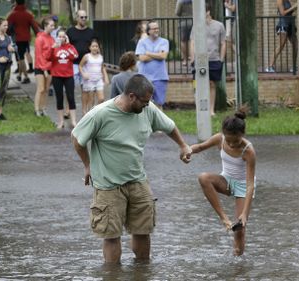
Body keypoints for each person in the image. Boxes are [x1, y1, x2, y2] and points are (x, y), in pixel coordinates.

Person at [71, 74, 192, 264]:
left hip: (137, 180)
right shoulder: (101, 114)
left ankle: (142, 272)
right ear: (132, 96)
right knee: (111, 235)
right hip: (108, 184)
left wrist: (183, 145)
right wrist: (88, 166)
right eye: (144, 101)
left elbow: (169, 126)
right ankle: (113, 275)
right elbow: (77, 139)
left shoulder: (147, 109)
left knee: (144, 230)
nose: (147, 105)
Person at [189, 109, 256, 256]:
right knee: (203, 177)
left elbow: (250, 184)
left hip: (243, 187)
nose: (231, 145)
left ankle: (238, 262)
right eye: (229, 140)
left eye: (236, 141)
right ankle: (224, 219)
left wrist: (244, 214)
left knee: (240, 230)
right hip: (226, 180)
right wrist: (187, 150)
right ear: (224, 135)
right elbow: (200, 147)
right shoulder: (220, 139)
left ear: (242, 135)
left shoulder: (248, 151)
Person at [190, 3, 226, 116]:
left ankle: (211, 110)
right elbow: (192, 42)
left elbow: (223, 43)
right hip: (200, 58)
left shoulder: (219, 25)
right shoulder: (196, 25)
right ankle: (200, 109)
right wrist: (192, 58)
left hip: (214, 59)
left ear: (208, 11)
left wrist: (221, 59)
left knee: (212, 84)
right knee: (197, 84)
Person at [135, 20, 169, 109]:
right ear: (148, 31)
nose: (156, 30)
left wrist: (148, 53)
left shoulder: (164, 42)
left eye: (157, 28)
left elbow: (163, 56)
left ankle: (158, 122)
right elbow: (142, 58)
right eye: (154, 29)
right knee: (144, 104)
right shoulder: (142, 42)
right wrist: (157, 54)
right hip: (145, 77)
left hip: (160, 77)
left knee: (159, 104)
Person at [7, 0, 40, 84]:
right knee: (22, 56)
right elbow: (35, 26)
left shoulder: (12, 15)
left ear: (16, 3)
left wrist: (6, 35)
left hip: (17, 39)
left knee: (20, 58)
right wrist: (39, 36)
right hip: (26, 39)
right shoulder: (28, 14)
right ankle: (20, 75)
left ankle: (26, 77)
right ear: (24, 3)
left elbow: (7, 27)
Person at [51, 29, 78, 129]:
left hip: (68, 75)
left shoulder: (70, 47)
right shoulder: (54, 47)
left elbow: (75, 56)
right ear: (57, 37)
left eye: (63, 36)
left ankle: (74, 121)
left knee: (71, 97)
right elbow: (48, 57)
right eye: (60, 36)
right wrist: (52, 48)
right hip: (57, 75)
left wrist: (68, 45)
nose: (61, 38)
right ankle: (61, 121)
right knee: (59, 98)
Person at [67, 10, 97, 93]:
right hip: (73, 64)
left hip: (87, 64)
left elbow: (96, 47)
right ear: (77, 18)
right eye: (82, 17)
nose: (84, 19)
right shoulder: (70, 31)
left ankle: (86, 106)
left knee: (87, 90)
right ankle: (69, 106)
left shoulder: (91, 32)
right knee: (69, 89)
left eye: (85, 17)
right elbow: (66, 47)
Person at [265, 0, 298, 73]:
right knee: (281, 44)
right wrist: (293, 7)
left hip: (290, 25)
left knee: (296, 44)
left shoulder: (287, 1)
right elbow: (283, 13)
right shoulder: (279, 1)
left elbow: (289, 12)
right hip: (283, 25)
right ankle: (270, 66)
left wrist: (294, 8)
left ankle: (294, 66)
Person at [79, 39, 109, 114]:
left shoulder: (100, 57)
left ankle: (95, 111)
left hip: (99, 80)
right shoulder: (87, 56)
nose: (95, 48)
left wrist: (106, 78)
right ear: (90, 47)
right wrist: (83, 74)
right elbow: (80, 66)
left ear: (98, 47)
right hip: (89, 80)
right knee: (91, 100)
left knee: (101, 99)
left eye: (96, 46)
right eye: (93, 46)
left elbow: (102, 68)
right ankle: (90, 114)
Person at [34, 16, 56, 116]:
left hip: (50, 67)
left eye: (54, 26)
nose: (53, 27)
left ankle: (43, 108)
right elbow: (39, 56)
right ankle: (37, 109)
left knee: (46, 89)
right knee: (41, 88)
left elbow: (52, 54)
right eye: (51, 25)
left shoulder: (51, 38)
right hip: (40, 67)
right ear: (45, 26)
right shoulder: (39, 38)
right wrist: (44, 70)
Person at [175, 0, 193, 66]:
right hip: (193, 21)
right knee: (192, 41)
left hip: (183, 22)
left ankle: (185, 60)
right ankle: (192, 59)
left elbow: (177, 12)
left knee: (183, 41)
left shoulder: (180, 1)